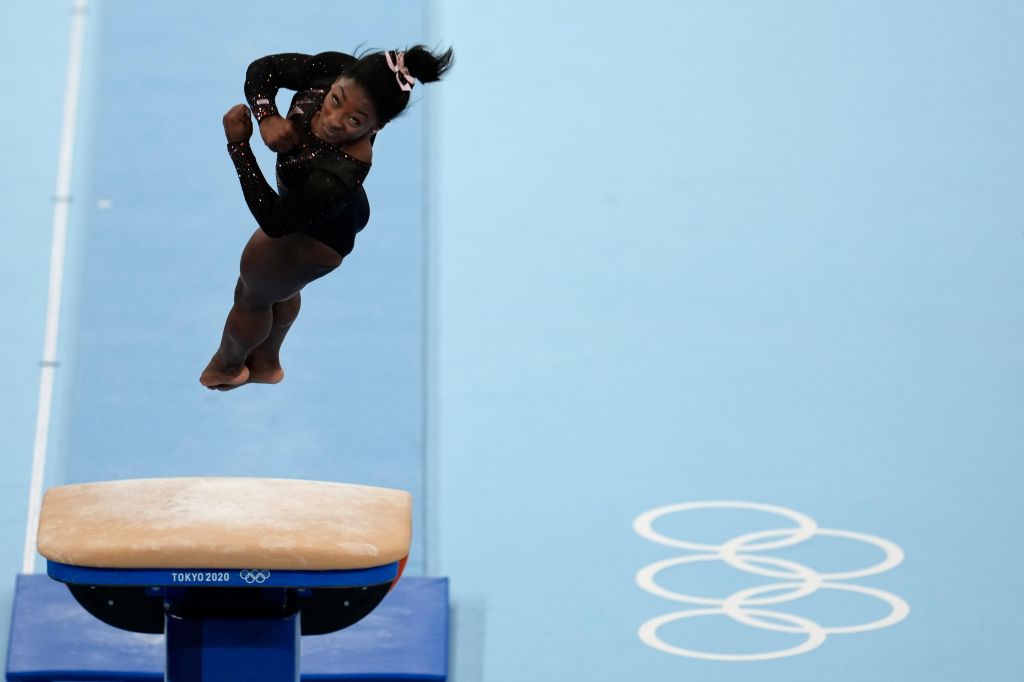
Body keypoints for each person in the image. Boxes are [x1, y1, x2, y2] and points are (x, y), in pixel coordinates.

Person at [200, 46, 454, 390]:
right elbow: (264, 70)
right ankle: (266, 363)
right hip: (329, 210)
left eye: (355, 121)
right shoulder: (333, 67)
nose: (334, 120)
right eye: (336, 100)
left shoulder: (343, 168)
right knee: (279, 284)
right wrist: (267, 115)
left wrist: (239, 147)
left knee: (251, 296)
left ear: (377, 125)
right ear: (339, 78)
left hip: (317, 236)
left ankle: (227, 367)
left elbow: (275, 221)